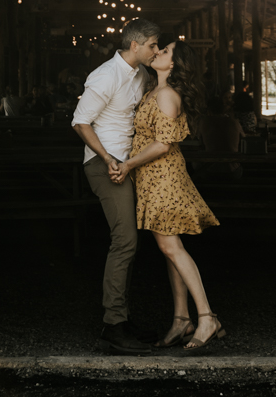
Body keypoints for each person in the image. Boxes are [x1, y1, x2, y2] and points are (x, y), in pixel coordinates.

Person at [114, 37, 226, 352]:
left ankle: (206, 316)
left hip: (164, 179)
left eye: (165, 51)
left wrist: (127, 165)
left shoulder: (166, 95)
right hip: (153, 179)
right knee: (169, 248)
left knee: (172, 248)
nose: (158, 51)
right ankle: (181, 319)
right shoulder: (155, 90)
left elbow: (163, 144)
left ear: (174, 64)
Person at [72, 18, 161, 354]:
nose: (156, 50)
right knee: (125, 239)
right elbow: (80, 121)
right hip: (103, 163)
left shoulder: (139, 74)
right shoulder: (105, 75)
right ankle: (113, 325)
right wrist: (109, 159)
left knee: (132, 241)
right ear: (135, 45)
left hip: (128, 161)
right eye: (153, 44)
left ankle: (123, 317)